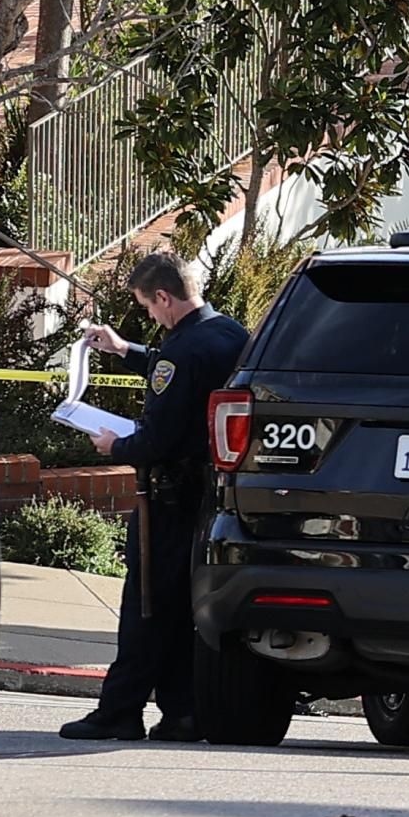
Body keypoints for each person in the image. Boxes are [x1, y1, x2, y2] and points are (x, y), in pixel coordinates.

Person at [61, 249, 251, 744]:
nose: (149, 315)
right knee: (181, 610)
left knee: (145, 608)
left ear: (164, 297)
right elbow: (180, 371)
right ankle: (183, 712)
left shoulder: (180, 352)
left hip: (168, 499)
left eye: (148, 307)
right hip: (212, 498)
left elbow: (157, 438)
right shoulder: (229, 334)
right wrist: (127, 350)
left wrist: (114, 444)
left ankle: (118, 712)